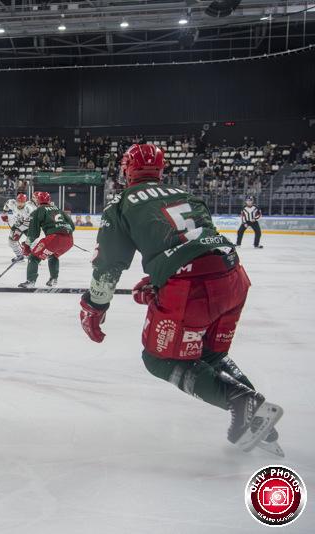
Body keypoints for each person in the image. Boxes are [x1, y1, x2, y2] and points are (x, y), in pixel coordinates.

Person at [78, 143, 282, 454]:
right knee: (209, 354)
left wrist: (95, 305)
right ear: (161, 170)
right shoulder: (185, 194)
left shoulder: (121, 204)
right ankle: (260, 422)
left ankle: (243, 402)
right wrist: (159, 277)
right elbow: (196, 243)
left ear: (126, 169)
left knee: (159, 358)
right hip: (232, 275)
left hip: (190, 286)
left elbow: (109, 265)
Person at [18, 191, 75, 288]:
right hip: (69, 240)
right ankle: (53, 279)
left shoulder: (38, 211)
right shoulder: (58, 209)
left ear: (38, 201)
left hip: (54, 238)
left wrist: (27, 246)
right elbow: (72, 226)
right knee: (53, 255)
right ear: (49, 200)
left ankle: (30, 281)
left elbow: (33, 233)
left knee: (33, 257)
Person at [1, 192, 36, 262]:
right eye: (18, 202)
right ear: (16, 201)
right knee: (11, 242)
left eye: (22, 202)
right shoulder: (12, 203)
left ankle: (34, 258)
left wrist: (18, 231)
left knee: (33, 241)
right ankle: (20, 256)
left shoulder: (28, 209)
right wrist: (4, 214)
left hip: (28, 226)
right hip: (17, 225)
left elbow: (29, 222)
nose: (20, 204)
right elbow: (6, 205)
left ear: (25, 202)